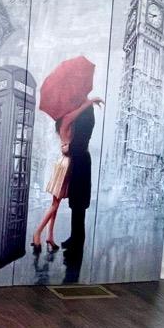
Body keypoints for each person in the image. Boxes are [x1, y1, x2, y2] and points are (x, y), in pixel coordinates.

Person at [30, 96, 101, 253]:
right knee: (55, 203)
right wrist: (89, 102)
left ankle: (49, 236)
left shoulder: (63, 122)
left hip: (65, 163)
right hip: (66, 165)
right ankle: (37, 233)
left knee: (56, 202)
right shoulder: (67, 120)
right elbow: (75, 114)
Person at [61, 96, 103, 278]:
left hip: (80, 163)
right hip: (79, 162)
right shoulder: (85, 111)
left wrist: (66, 149)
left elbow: (79, 143)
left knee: (78, 206)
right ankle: (73, 238)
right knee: (75, 205)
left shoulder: (86, 115)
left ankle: (76, 246)